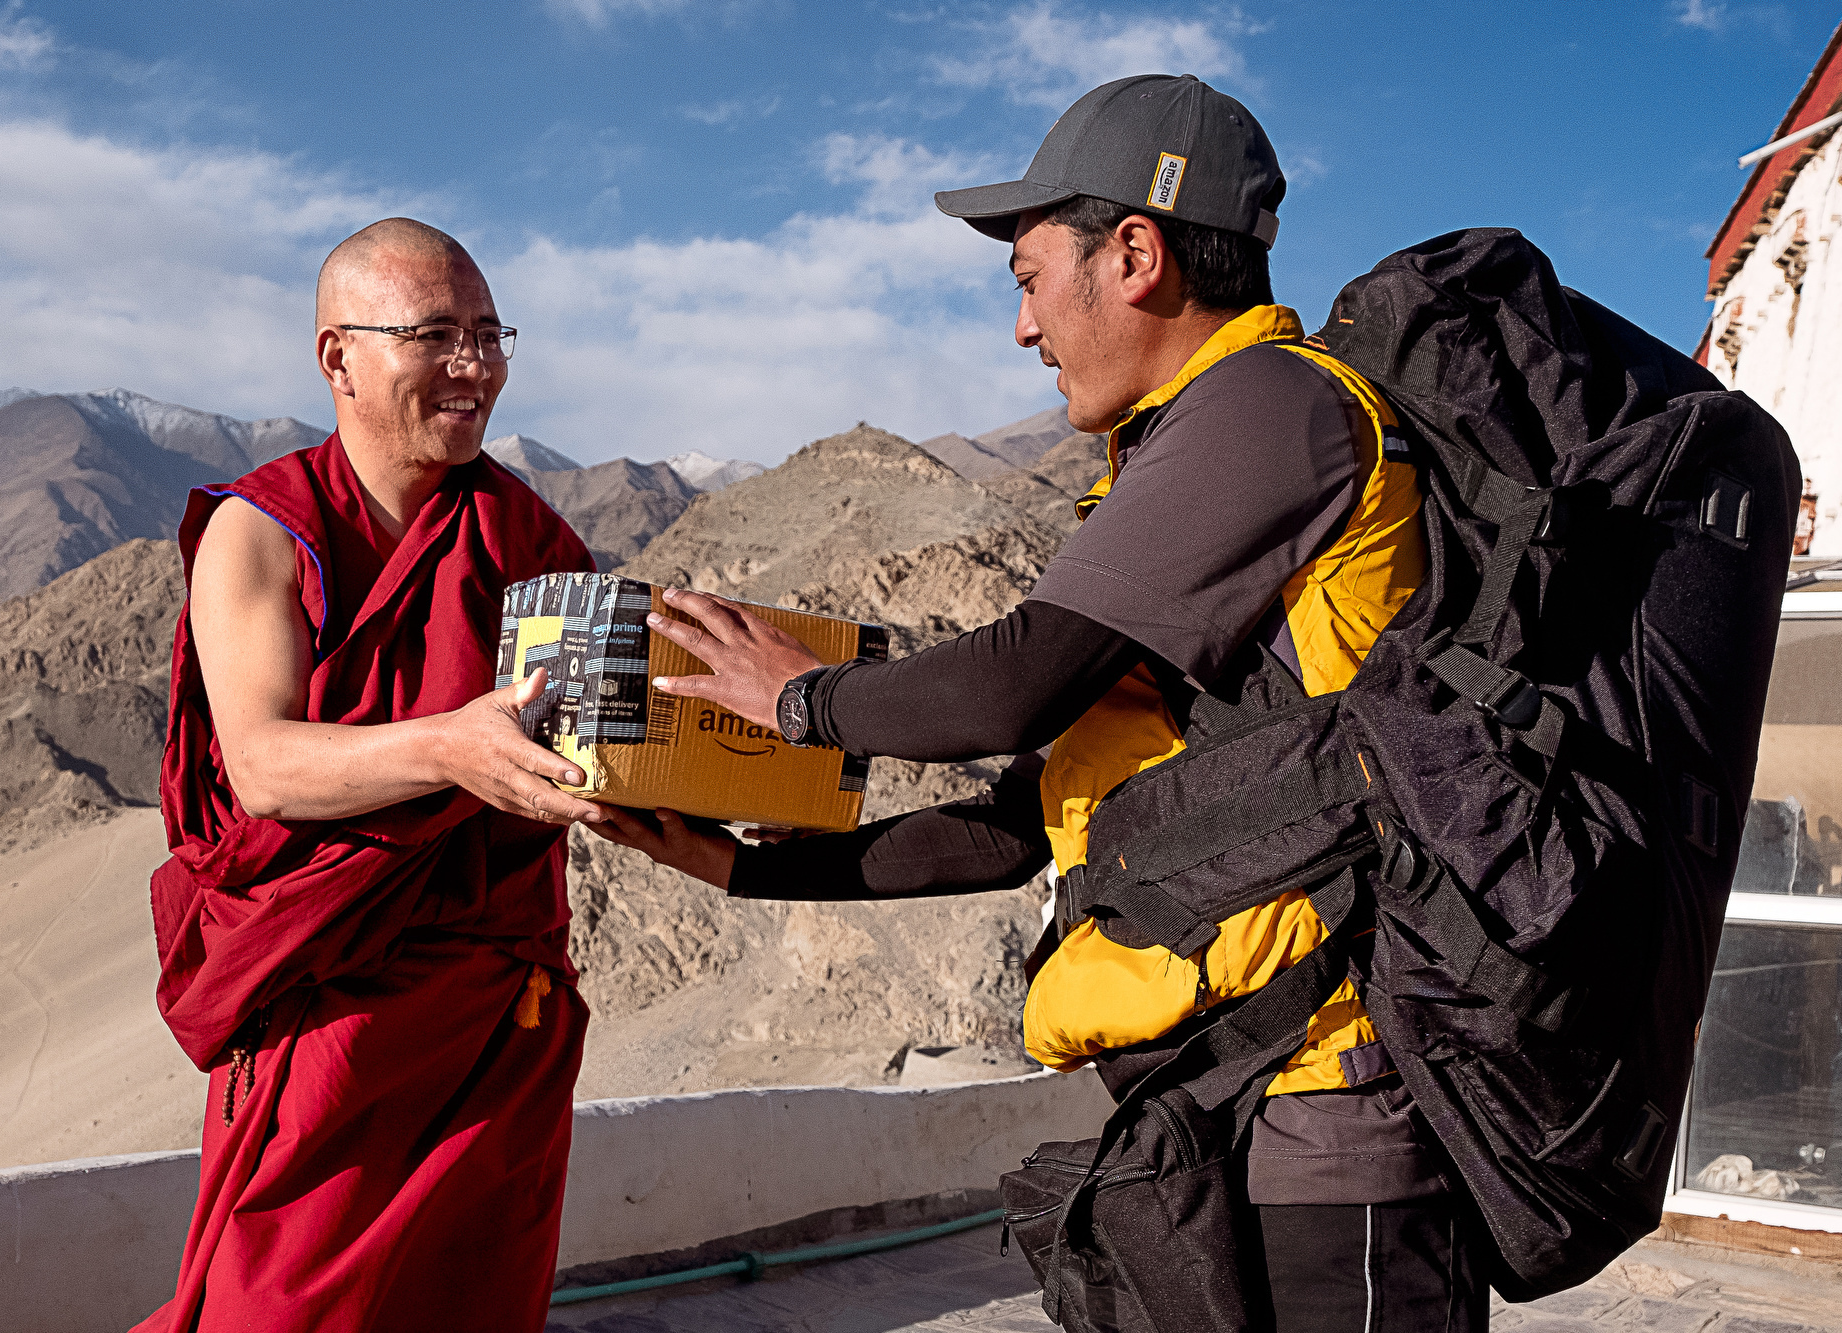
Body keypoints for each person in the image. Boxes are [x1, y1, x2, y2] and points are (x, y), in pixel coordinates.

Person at [594, 76, 1484, 1331]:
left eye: (1025, 278)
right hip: (1213, 1115)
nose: (1020, 328)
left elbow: (1012, 682)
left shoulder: (1273, 409)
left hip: (1328, 1122)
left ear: (1134, 254)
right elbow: (1021, 822)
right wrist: (741, 872)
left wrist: (798, 699)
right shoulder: (1189, 464)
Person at [135, 218, 610, 1333]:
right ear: (335, 357)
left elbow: (589, 748)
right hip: (330, 1010)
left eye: (489, 334)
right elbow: (261, 766)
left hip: (495, 1011)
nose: (473, 365)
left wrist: (736, 794)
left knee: (471, 1300)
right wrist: (450, 745)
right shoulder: (261, 534)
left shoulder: (525, 536)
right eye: (435, 334)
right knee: (281, 1309)